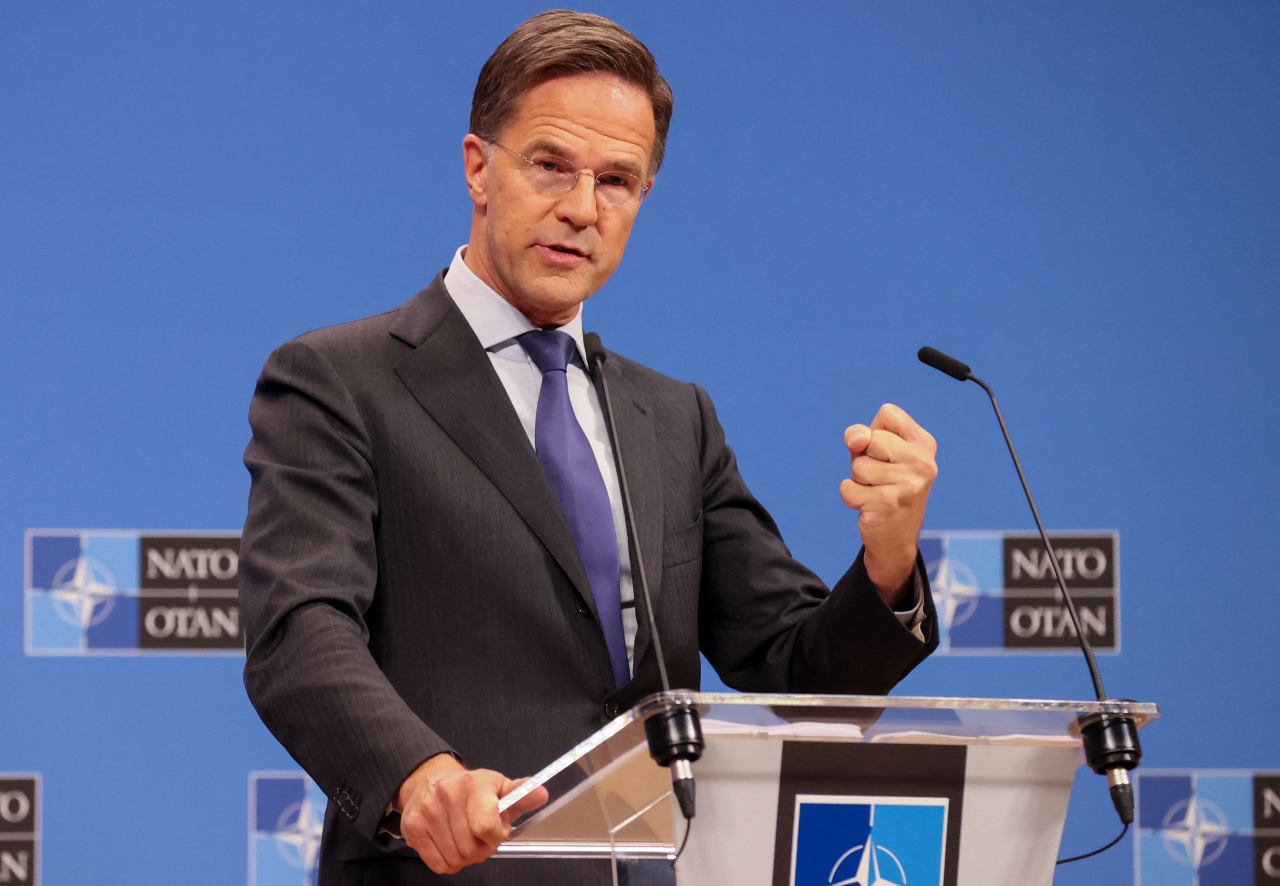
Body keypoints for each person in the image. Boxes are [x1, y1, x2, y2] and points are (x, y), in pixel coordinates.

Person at [239, 10, 941, 885]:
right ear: (478, 167)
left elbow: (799, 672)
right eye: (550, 165)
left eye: (617, 180)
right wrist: (418, 778)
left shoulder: (674, 417)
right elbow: (300, 631)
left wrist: (888, 561)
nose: (581, 209)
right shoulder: (339, 379)